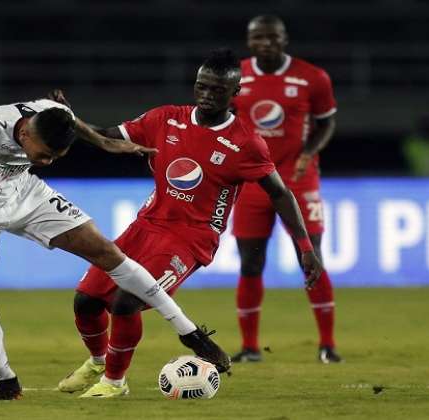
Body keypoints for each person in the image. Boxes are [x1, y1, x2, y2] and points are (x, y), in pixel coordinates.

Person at [56, 48, 323, 398]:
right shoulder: (165, 118)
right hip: (145, 225)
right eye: (202, 86)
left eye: (216, 89)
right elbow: (109, 136)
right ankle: (97, 362)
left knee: (126, 302)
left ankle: (114, 383)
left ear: (234, 93)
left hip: (189, 239)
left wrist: (304, 247)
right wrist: (70, 121)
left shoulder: (246, 143)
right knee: (86, 301)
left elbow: (281, 193)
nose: (207, 95)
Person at [0, 95, 230, 400]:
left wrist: (103, 142)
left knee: (108, 253)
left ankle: (188, 332)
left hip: (25, 194)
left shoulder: (52, 111)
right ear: (24, 134)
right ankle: (5, 378)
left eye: (55, 157)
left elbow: (67, 116)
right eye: (44, 155)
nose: (47, 162)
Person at [230, 15, 342, 363]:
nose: (265, 42)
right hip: (252, 182)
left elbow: (326, 122)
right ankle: (250, 348)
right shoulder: (236, 76)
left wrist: (309, 152)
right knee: (250, 263)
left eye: (272, 37)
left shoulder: (312, 77)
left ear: (284, 39)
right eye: (258, 37)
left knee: (312, 259)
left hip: (297, 178)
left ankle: (327, 345)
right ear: (249, 41)